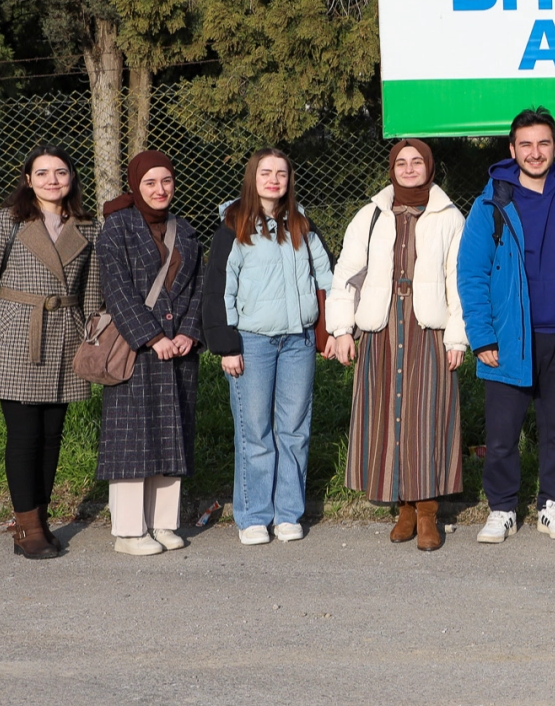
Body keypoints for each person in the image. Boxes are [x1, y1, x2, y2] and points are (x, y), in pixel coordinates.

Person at [457, 108, 555, 544]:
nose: (535, 153)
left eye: (543, 144)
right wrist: (482, 336)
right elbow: (471, 273)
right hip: (509, 338)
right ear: (512, 149)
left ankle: (551, 504)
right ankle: (501, 508)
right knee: (501, 436)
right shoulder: (491, 202)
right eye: (526, 144)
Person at [326, 139, 467, 552]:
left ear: (430, 168)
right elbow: (347, 275)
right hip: (380, 325)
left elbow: (458, 280)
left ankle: (427, 511)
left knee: (427, 418)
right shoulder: (371, 215)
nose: (409, 169)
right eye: (401, 162)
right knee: (388, 414)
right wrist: (341, 329)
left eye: (416, 162)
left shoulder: (449, 216)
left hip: (428, 328)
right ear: (392, 169)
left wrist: (458, 335)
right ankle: (403, 506)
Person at [0, 145, 100, 559]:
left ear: (72, 178)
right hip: (15, 335)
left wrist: (92, 341)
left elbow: (92, 292)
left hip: (66, 336)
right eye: (42, 173)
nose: (52, 180)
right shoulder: (7, 221)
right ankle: (27, 528)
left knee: (52, 436)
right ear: (28, 180)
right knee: (25, 436)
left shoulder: (88, 227)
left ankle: (38, 520)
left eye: (60, 172)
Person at [202, 148, 333, 546]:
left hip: (299, 341)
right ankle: (254, 515)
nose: (274, 179)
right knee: (255, 430)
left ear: (289, 180)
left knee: (294, 430)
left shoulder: (302, 225)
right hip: (253, 343)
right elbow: (217, 289)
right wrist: (226, 344)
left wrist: (329, 333)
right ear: (252, 178)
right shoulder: (233, 227)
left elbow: (325, 279)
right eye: (266, 172)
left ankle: (288, 513)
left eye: (281, 173)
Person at [95, 150, 204, 556]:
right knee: (131, 438)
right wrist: (153, 336)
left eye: (167, 181)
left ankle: (162, 524)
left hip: (179, 350)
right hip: (136, 349)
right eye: (150, 183)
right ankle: (127, 531)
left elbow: (197, 289)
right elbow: (117, 290)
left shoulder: (186, 231)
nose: (160, 190)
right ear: (136, 186)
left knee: (172, 435)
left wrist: (189, 333)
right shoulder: (117, 228)